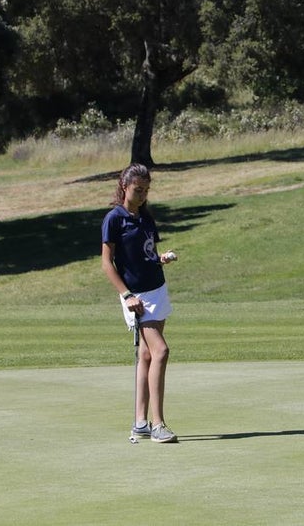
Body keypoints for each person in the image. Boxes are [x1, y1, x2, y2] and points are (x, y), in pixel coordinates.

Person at [101, 163, 179, 443]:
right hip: (136, 296)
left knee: (147, 355)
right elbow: (107, 264)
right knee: (161, 351)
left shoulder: (146, 218)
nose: (143, 195)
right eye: (138, 190)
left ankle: (140, 423)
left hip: (157, 289)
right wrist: (126, 295)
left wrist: (162, 259)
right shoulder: (114, 218)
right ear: (124, 187)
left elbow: (148, 256)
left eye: (146, 190)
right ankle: (158, 424)